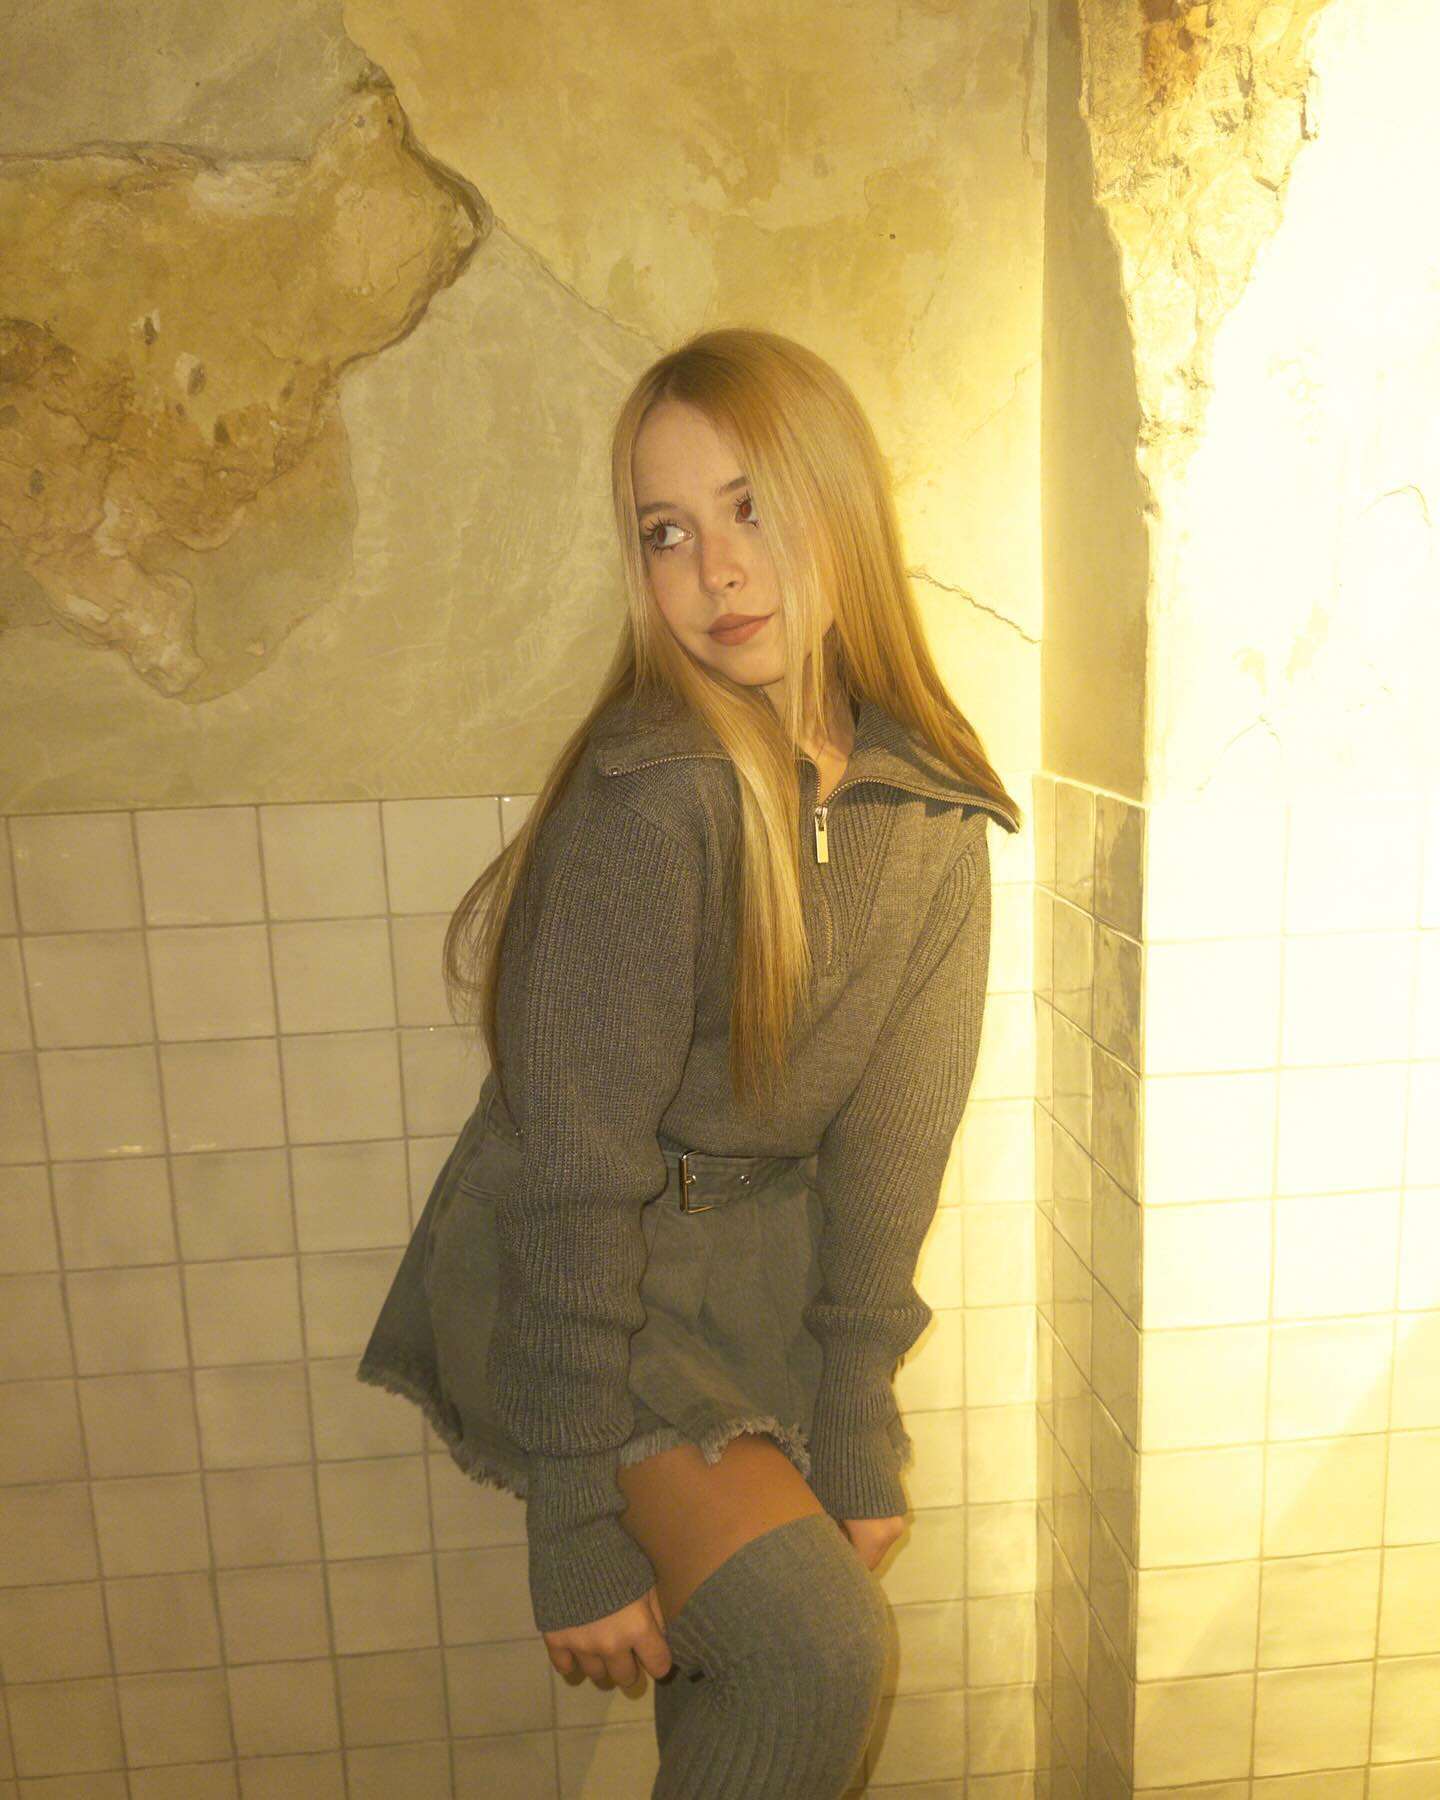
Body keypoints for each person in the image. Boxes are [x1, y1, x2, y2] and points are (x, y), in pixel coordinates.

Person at [356, 326, 1022, 1797]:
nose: (716, 570)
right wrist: (572, 1516)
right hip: (590, 1282)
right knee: (817, 1654)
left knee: (747, 1692)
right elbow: (572, 1173)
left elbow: (896, 1142)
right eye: (667, 531)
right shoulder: (650, 798)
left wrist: (858, 1408)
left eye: (751, 507)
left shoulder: (933, 806)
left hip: (761, 1285)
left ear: (842, 506)